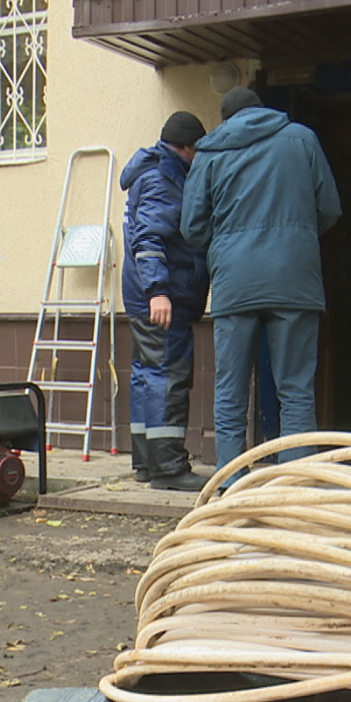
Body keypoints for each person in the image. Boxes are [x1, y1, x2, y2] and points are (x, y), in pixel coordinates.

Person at [181, 86, 341, 480]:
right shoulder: (302, 138)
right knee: (296, 389)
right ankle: (297, 486)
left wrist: (228, 242)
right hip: (294, 278)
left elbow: (192, 226)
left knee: (231, 389)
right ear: (262, 110)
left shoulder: (212, 151)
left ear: (226, 118)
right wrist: (297, 236)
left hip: (235, 283)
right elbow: (330, 209)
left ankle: (230, 484)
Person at [120, 111, 211, 492]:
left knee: (146, 374)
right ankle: (169, 469)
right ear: (187, 148)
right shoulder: (163, 177)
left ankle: (146, 462)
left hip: (145, 296)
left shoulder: (151, 170)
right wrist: (158, 290)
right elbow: (150, 238)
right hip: (161, 297)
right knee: (167, 377)